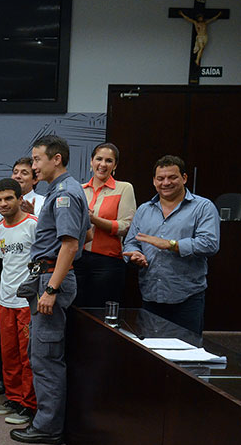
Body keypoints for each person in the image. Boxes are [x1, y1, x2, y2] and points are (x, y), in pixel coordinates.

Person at [11, 135, 89, 445]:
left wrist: (52, 289)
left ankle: (47, 427)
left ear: (56, 159)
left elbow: (70, 244)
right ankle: (46, 420)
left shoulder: (65, 194)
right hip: (45, 277)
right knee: (41, 353)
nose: (33, 166)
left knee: (46, 356)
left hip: (52, 280)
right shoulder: (60, 191)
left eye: (37, 160)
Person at [122, 155, 220, 335]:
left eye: (172, 177)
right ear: (154, 181)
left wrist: (171, 244)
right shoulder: (144, 210)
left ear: (184, 178)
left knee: (186, 355)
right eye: (160, 178)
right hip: (151, 294)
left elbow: (209, 244)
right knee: (152, 354)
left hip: (186, 297)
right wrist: (135, 254)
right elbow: (130, 242)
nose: (166, 182)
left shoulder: (203, 207)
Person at [0, 178, 38, 426]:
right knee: (8, 354)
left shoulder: (33, 225)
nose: (3, 204)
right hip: (5, 299)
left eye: (9, 198)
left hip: (27, 302)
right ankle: (13, 398)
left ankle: (29, 405)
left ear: (20, 199)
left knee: (26, 356)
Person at [74, 143, 136, 308]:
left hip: (108, 262)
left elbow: (126, 226)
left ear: (115, 165)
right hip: (79, 259)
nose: (102, 164)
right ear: (91, 162)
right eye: (99, 159)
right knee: (77, 311)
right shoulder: (79, 189)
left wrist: (94, 219)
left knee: (101, 314)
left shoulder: (124, 188)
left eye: (109, 161)